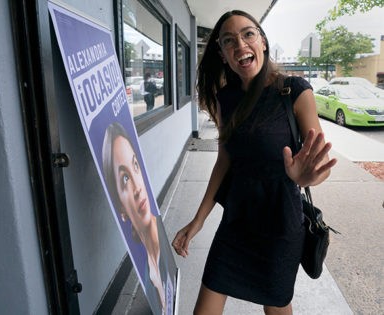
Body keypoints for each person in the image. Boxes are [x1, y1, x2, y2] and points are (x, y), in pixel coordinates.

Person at [171, 10, 337, 315]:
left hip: (280, 224)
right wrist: (198, 221)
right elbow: (224, 160)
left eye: (248, 34)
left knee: (275, 308)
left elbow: (318, 164)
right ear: (223, 55)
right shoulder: (227, 98)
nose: (240, 45)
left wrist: (304, 177)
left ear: (262, 41)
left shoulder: (295, 91)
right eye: (229, 40)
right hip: (237, 221)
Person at [102, 122, 175, 315]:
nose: (137, 187)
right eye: (125, 178)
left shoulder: (163, 248)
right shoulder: (146, 272)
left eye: (135, 165)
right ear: (121, 208)